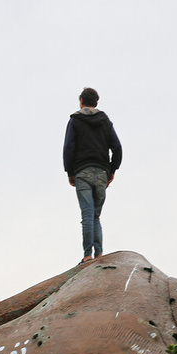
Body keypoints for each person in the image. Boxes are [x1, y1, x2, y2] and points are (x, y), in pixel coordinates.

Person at [63, 87, 123, 263]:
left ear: (81, 100)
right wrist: (112, 170)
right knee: (95, 215)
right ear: (96, 102)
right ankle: (99, 254)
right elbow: (117, 147)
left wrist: (70, 172)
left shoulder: (75, 120)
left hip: (82, 171)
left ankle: (88, 255)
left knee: (87, 214)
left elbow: (68, 147)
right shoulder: (105, 121)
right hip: (102, 172)